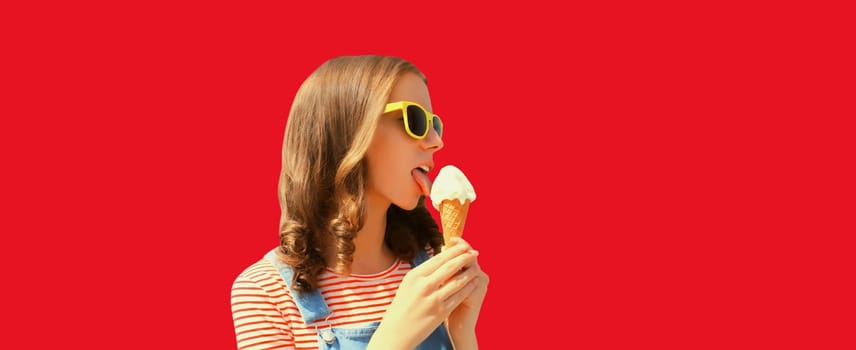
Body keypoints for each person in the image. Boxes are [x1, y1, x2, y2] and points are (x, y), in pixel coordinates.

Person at [231, 55, 489, 350]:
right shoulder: (265, 292)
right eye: (415, 120)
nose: (435, 141)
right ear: (350, 131)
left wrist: (462, 334)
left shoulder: (432, 265)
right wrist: (394, 339)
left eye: (435, 124)